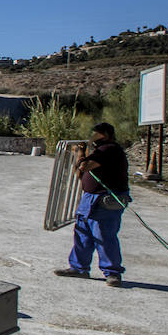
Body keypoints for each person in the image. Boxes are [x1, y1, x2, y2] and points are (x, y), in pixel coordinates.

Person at [54, 122, 130, 287]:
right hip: (90, 198)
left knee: (104, 236)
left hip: (105, 199)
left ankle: (112, 272)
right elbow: (80, 172)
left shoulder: (109, 149)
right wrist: (81, 155)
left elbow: (85, 165)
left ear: (105, 135)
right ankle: (79, 268)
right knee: (82, 234)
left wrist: (81, 152)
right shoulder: (99, 151)